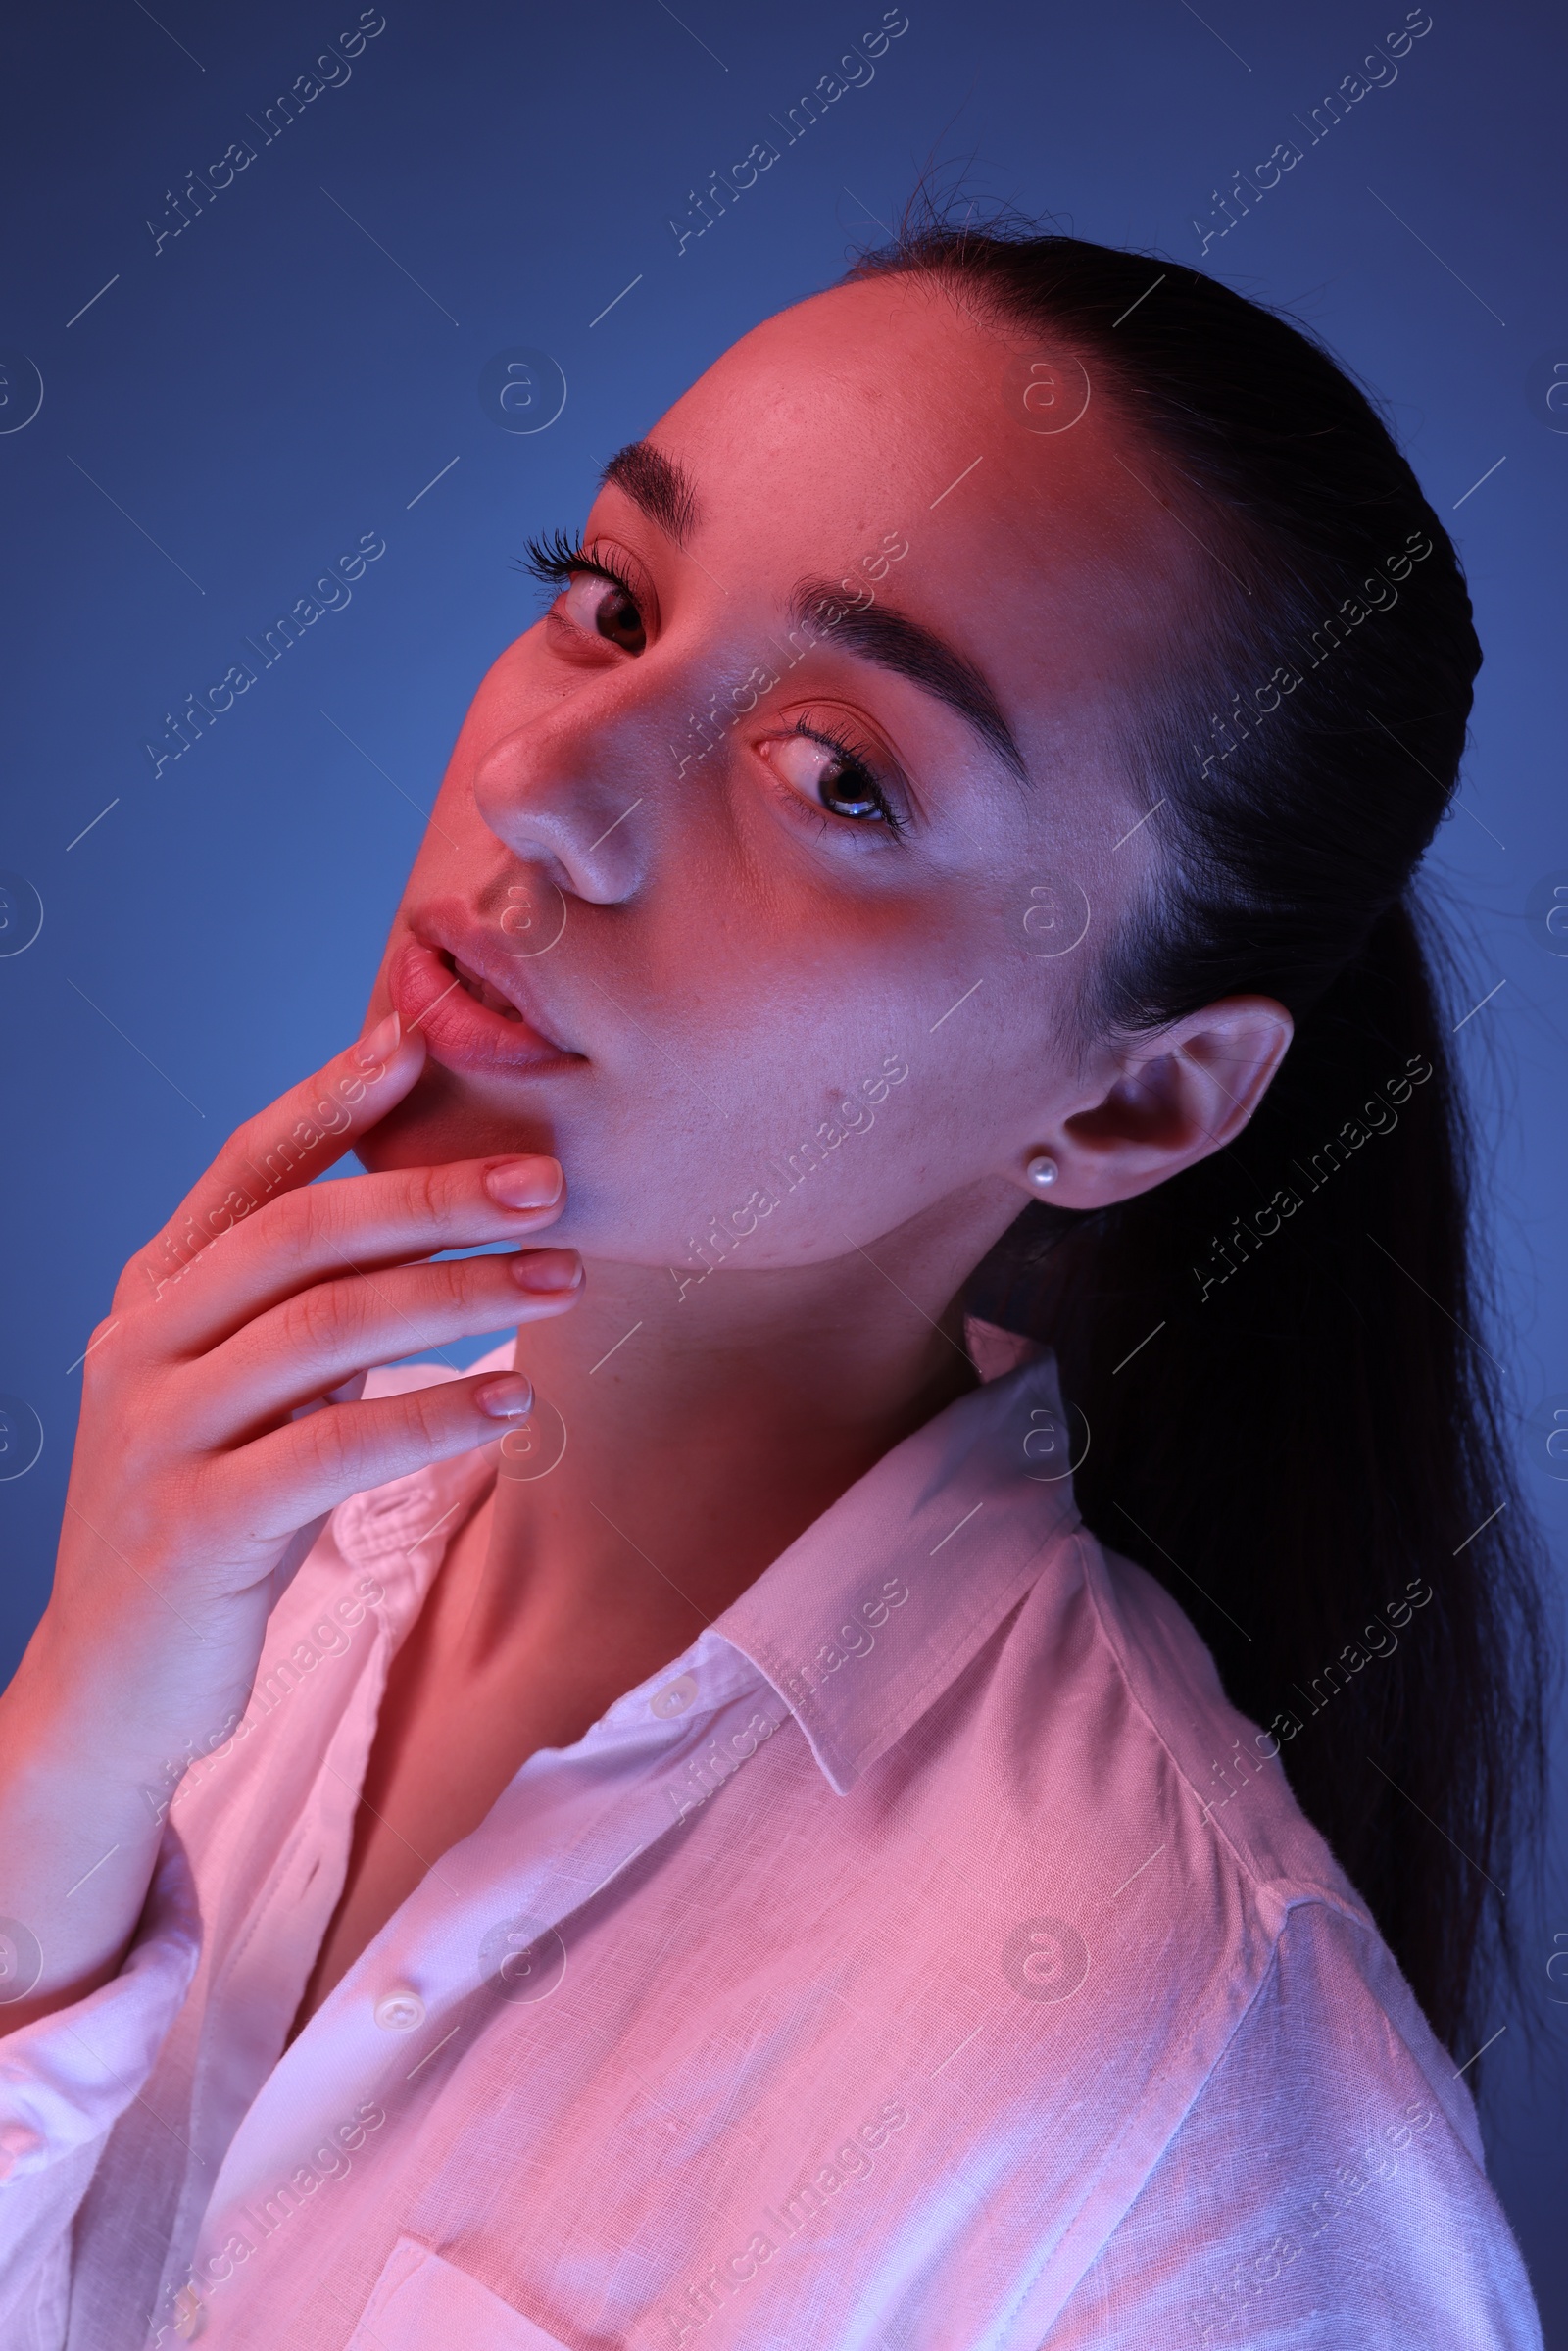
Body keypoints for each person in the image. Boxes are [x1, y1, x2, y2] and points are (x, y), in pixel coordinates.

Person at [0, 215, 1547, 2348]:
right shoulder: (234, 1607)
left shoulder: (1190, 2120)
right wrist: (62, 1778)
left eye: (837, 776)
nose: (543, 789)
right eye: (609, 603)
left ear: (1135, 1101)